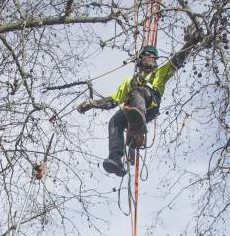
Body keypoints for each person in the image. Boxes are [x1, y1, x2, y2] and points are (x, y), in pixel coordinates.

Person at [78, 25, 203, 177]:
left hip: (150, 105)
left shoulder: (160, 73)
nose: (150, 57)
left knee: (138, 90)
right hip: (133, 109)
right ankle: (116, 158)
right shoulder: (129, 81)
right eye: (147, 55)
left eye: (153, 56)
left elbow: (177, 60)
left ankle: (137, 122)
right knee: (115, 121)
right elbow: (113, 101)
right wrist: (93, 104)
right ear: (140, 58)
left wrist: (191, 43)